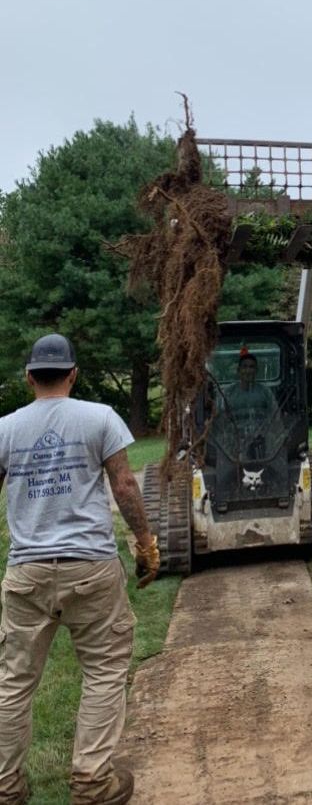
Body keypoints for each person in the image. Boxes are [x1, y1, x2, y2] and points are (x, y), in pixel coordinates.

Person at [0, 334, 160, 805]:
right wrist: (146, 544)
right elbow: (125, 485)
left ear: (29, 377)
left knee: (13, 682)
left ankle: (6, 788)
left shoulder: (5, 429)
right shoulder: (99, 417)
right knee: (105, 670)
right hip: (90, 568)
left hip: (26, 573)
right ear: (73, 374)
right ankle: (91, 783)